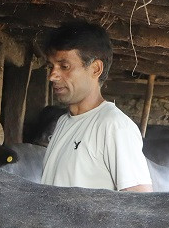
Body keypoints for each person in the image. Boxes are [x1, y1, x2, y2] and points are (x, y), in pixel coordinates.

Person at [40, 22, 152, 192]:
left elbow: (140, 202)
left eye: (64, 66)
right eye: (51, 66)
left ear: (95, 69)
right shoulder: (63, 122)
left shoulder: (114, 126)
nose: (52, 76)